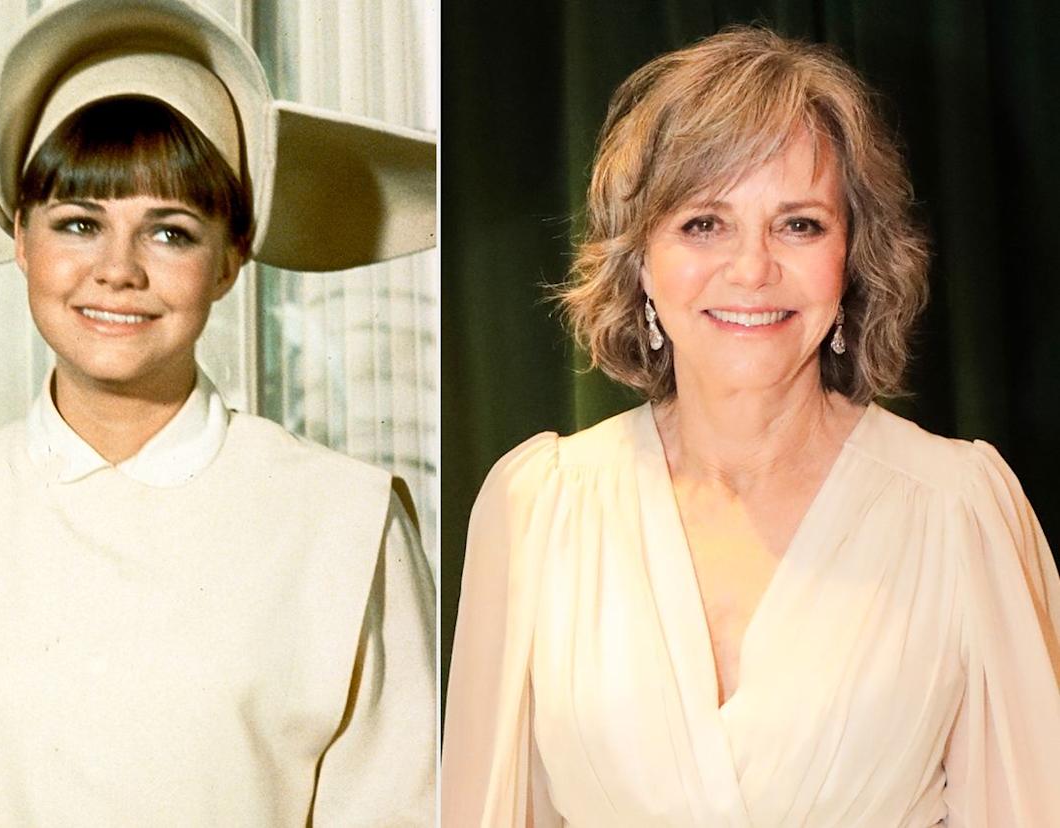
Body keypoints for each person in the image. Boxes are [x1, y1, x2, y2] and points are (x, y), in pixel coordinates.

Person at [0, 0, 436, 825]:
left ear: (229, 260)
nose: (118, 270)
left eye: (171, 233)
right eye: (78, 224)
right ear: (22, 243)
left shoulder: (346, 521)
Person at [442, 27, 1060, 827]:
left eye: (798, 224)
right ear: (640, 264)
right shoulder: (536, 509)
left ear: (853, 254)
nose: (752, 268)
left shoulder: (961, 509)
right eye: (704, 223)